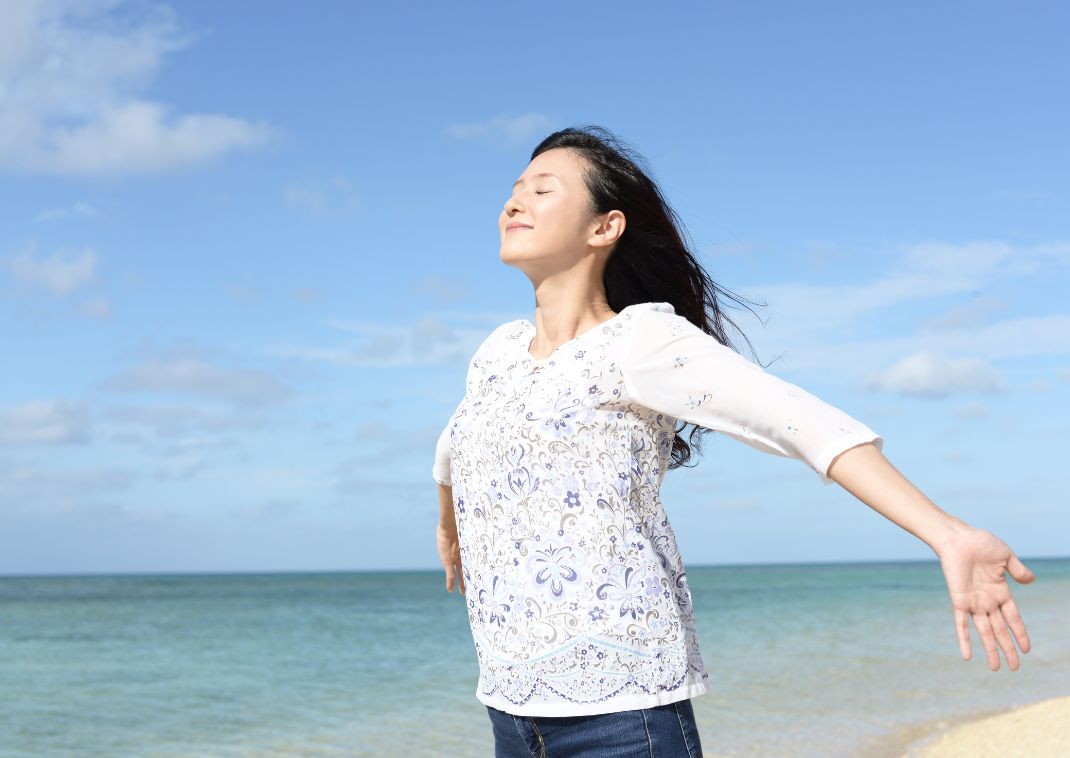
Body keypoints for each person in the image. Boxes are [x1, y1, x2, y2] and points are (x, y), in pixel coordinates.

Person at [432, 125, 1035, 757]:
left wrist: (947, 533)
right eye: (513, 190)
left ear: (604, 227)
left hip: (622, 717)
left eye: (542, 189)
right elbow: (455, 443)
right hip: (510, 708)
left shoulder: (639, 343)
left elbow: (800, 422)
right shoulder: (497, 354)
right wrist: (451, 525)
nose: (514, 202)